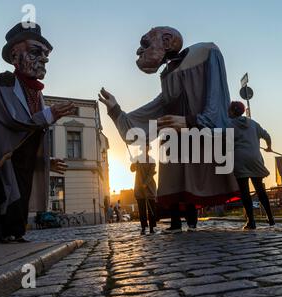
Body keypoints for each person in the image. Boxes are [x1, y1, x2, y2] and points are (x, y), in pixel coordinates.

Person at [99, 27, 239, 233]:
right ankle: (175, 222)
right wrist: (116, 110)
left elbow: (215, 100)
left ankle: (191, 222)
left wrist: (192, 121)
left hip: (195, 133)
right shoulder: (168, 74)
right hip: (173, 138)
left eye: (145, 44)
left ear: (166, 40)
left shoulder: (206, 52)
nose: (139, 52)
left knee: (189, 176)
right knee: (174, 180)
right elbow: (153, 110)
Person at [0, 23, 76, 242]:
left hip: (25, 156)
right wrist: (49, 115)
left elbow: (34, 129)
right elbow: (15, 119)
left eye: (45, 54)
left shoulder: (36, 92)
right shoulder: (6, 82)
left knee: (24, 191)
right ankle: (6, 233)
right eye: (36, 52)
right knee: (11, 191)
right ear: (15, 55)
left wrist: (46, 159)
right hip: (10, 154)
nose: (44, 59)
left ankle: (16, 233)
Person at [227, 101, 275, 230]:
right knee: (260, 189)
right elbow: (267, 135)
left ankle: (251, 222)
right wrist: (269, 147)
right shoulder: (253, 123)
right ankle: (271, 219)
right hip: (255, 159)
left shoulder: (229, 125)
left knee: (245, 191)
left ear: (232, 112)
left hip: (240, 160)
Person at [131, 144, 157, 235]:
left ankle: (152, 227)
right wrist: (133, 163)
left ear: (148, 149)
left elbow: (151, 173)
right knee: (142, 209)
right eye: (143, 147)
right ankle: (143, 227)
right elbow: (132, 169)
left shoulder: (152, 161)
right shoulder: (137, 159)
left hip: (149, 187)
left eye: (146, 147)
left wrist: (145, 183)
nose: (145, 149)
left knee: (151, 208)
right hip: (139, 187)